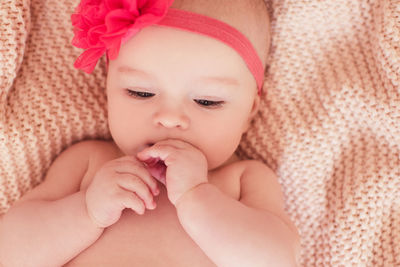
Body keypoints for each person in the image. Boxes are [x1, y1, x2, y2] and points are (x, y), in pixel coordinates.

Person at [0, 0, 300, 266]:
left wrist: (198, 198)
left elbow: (277, 260)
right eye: (141, 93)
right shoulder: (90, 162)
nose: (169, 119)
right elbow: (10, 254)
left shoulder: (243, 179)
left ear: (249, 111)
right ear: (108, 91)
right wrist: (86, 211)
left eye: (207, 101)